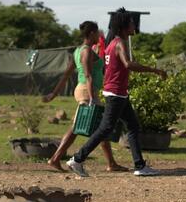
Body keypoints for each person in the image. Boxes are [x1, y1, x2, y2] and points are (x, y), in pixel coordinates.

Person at [67, 8, 167, 177]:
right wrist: (154, 70)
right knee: (105, 128)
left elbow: (112, 67)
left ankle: (139, 165)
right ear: (123, 26)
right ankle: (77, 159)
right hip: (116, 94)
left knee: (133, 126)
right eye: (131, 22)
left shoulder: (113, 43)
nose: (134, 25)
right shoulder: (119, 43)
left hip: (117, 92)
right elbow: (128, 64)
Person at [43, 21, 127, 173]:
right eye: (97, 32)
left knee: (101, 127)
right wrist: (93, 97)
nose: (100, 35)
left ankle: (111, 163)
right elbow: (88, 75)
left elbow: (67, 74)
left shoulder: (79, 50)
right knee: (78, 127)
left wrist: (54, 94)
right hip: (87, 91)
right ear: (92, 33)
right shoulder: (86, 51)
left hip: (85, 90)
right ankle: (55, 159)